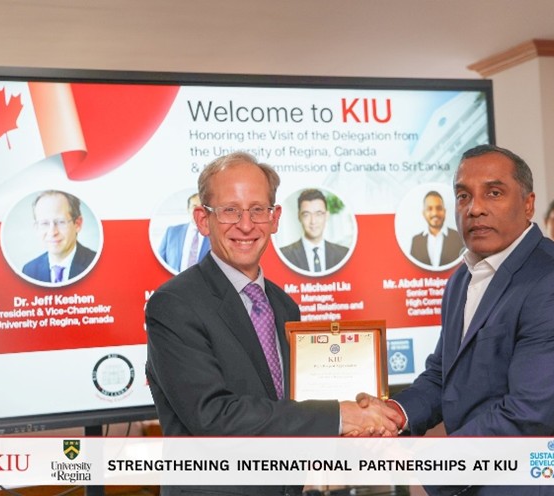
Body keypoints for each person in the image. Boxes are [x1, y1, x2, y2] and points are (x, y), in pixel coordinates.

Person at [358, 144, 554, 496]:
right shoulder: (462, 279)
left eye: (494, 193)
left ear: (528, 204)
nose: (475, 208)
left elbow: (527, 414)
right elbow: (443, 374)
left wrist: (428, 464)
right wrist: (396, 413)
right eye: (463, 196)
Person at [145, 152, 400, 496]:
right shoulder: (174, 304)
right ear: (203, 220)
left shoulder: (283, 305)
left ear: (275, 218)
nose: (246, 225)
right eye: (230, 210)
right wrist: (340, 417)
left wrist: (356, 424)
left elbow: (289, 408)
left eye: (257, 210)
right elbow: (213, 417)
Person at [22, 190, 96, 284]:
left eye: (61, 222)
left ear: (77, 224)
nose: (52, 232)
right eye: (44, 223)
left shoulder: (97, 264)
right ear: (36, 227)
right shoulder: (29, 271)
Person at [280, 189, 349, 273]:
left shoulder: (344, 254)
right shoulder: (283, 255)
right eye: (306, 215)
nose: (313, 221)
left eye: (318, 214)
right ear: (299, 216)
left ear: (326, 216)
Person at [158, 193, 211, 272]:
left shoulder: (216, 234)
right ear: (188, 209)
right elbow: (159, 262)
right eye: (194, 206)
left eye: (202, 206)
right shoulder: (171, 232)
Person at [409, 190, 464, 267]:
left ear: (444, 211)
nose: (435, 213)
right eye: (429, 209)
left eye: (439, 208)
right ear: (424, 213)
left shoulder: (458, 238)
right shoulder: (416, 241)